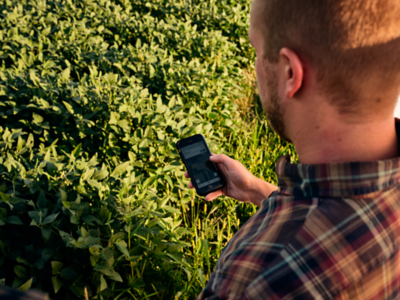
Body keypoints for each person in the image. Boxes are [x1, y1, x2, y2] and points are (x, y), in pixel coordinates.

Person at [185, 0, 400, 299]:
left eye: (257, 52)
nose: (257, 66)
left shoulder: (256, 282)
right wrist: (259, 192)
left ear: (290, 73)